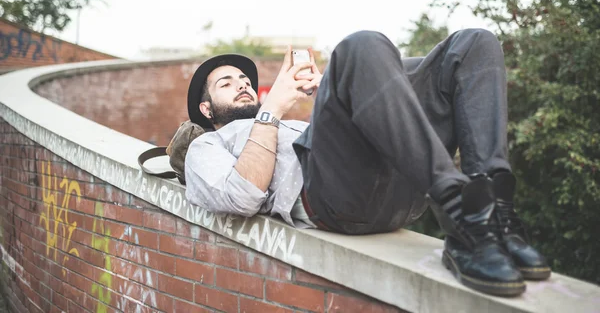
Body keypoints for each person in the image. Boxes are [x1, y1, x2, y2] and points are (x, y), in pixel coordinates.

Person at [184, 29, 550, 297]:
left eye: (246, 80)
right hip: (333, 201)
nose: (243, 85)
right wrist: (273, 108)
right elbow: (242, 197)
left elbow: (372, 124)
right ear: (206, 108)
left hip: (396, 179)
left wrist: (335, 82)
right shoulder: (207, 146)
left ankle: (495, 219)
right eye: (227, 84)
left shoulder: (283, 121)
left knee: (472, 45)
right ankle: (462, 213)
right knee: (359, 46)